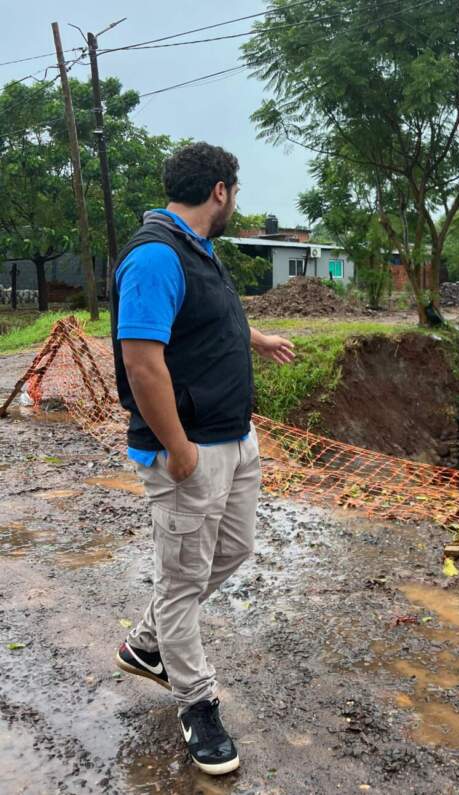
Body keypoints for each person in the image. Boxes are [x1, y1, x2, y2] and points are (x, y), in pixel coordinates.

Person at [111, 142, 295, 775]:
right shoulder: (156, 255)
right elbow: (141, 360)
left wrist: (259, 338)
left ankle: (147, 641)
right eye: (235, 193)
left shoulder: (200, 253)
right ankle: (196, 703)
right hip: (190, 451)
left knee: (234, 550)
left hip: (234, 439)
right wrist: (179, 447)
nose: (234, 202)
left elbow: (212, 322)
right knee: (185, 579)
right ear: (221, 190)